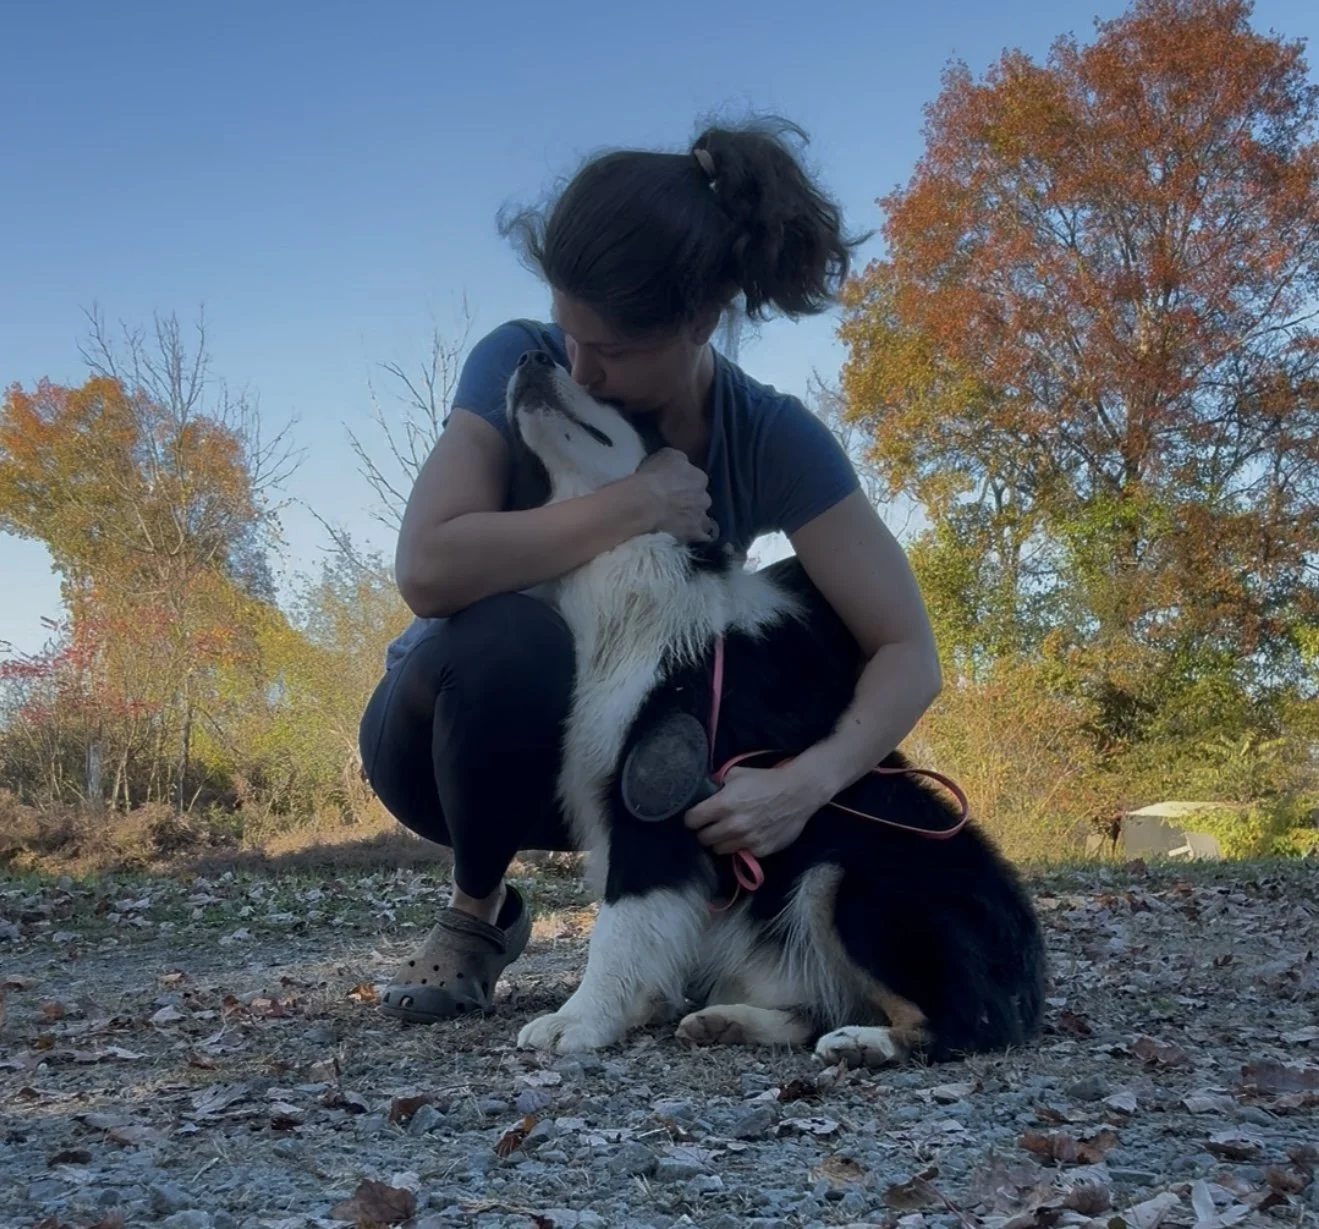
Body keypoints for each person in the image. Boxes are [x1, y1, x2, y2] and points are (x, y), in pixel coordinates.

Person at [358, 115, 943, 1024]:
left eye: (611, 350)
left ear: (699, 321)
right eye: (567, 331)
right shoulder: (522, 365)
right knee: (512, 638)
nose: (578, 370)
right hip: (452, 747)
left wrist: (803, 785)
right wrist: (637, 503)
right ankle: (476, 912)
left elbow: (906, 648)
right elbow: (428, 567)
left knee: (796, 609)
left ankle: (723, 939)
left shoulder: (771, 435)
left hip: (643, 773)